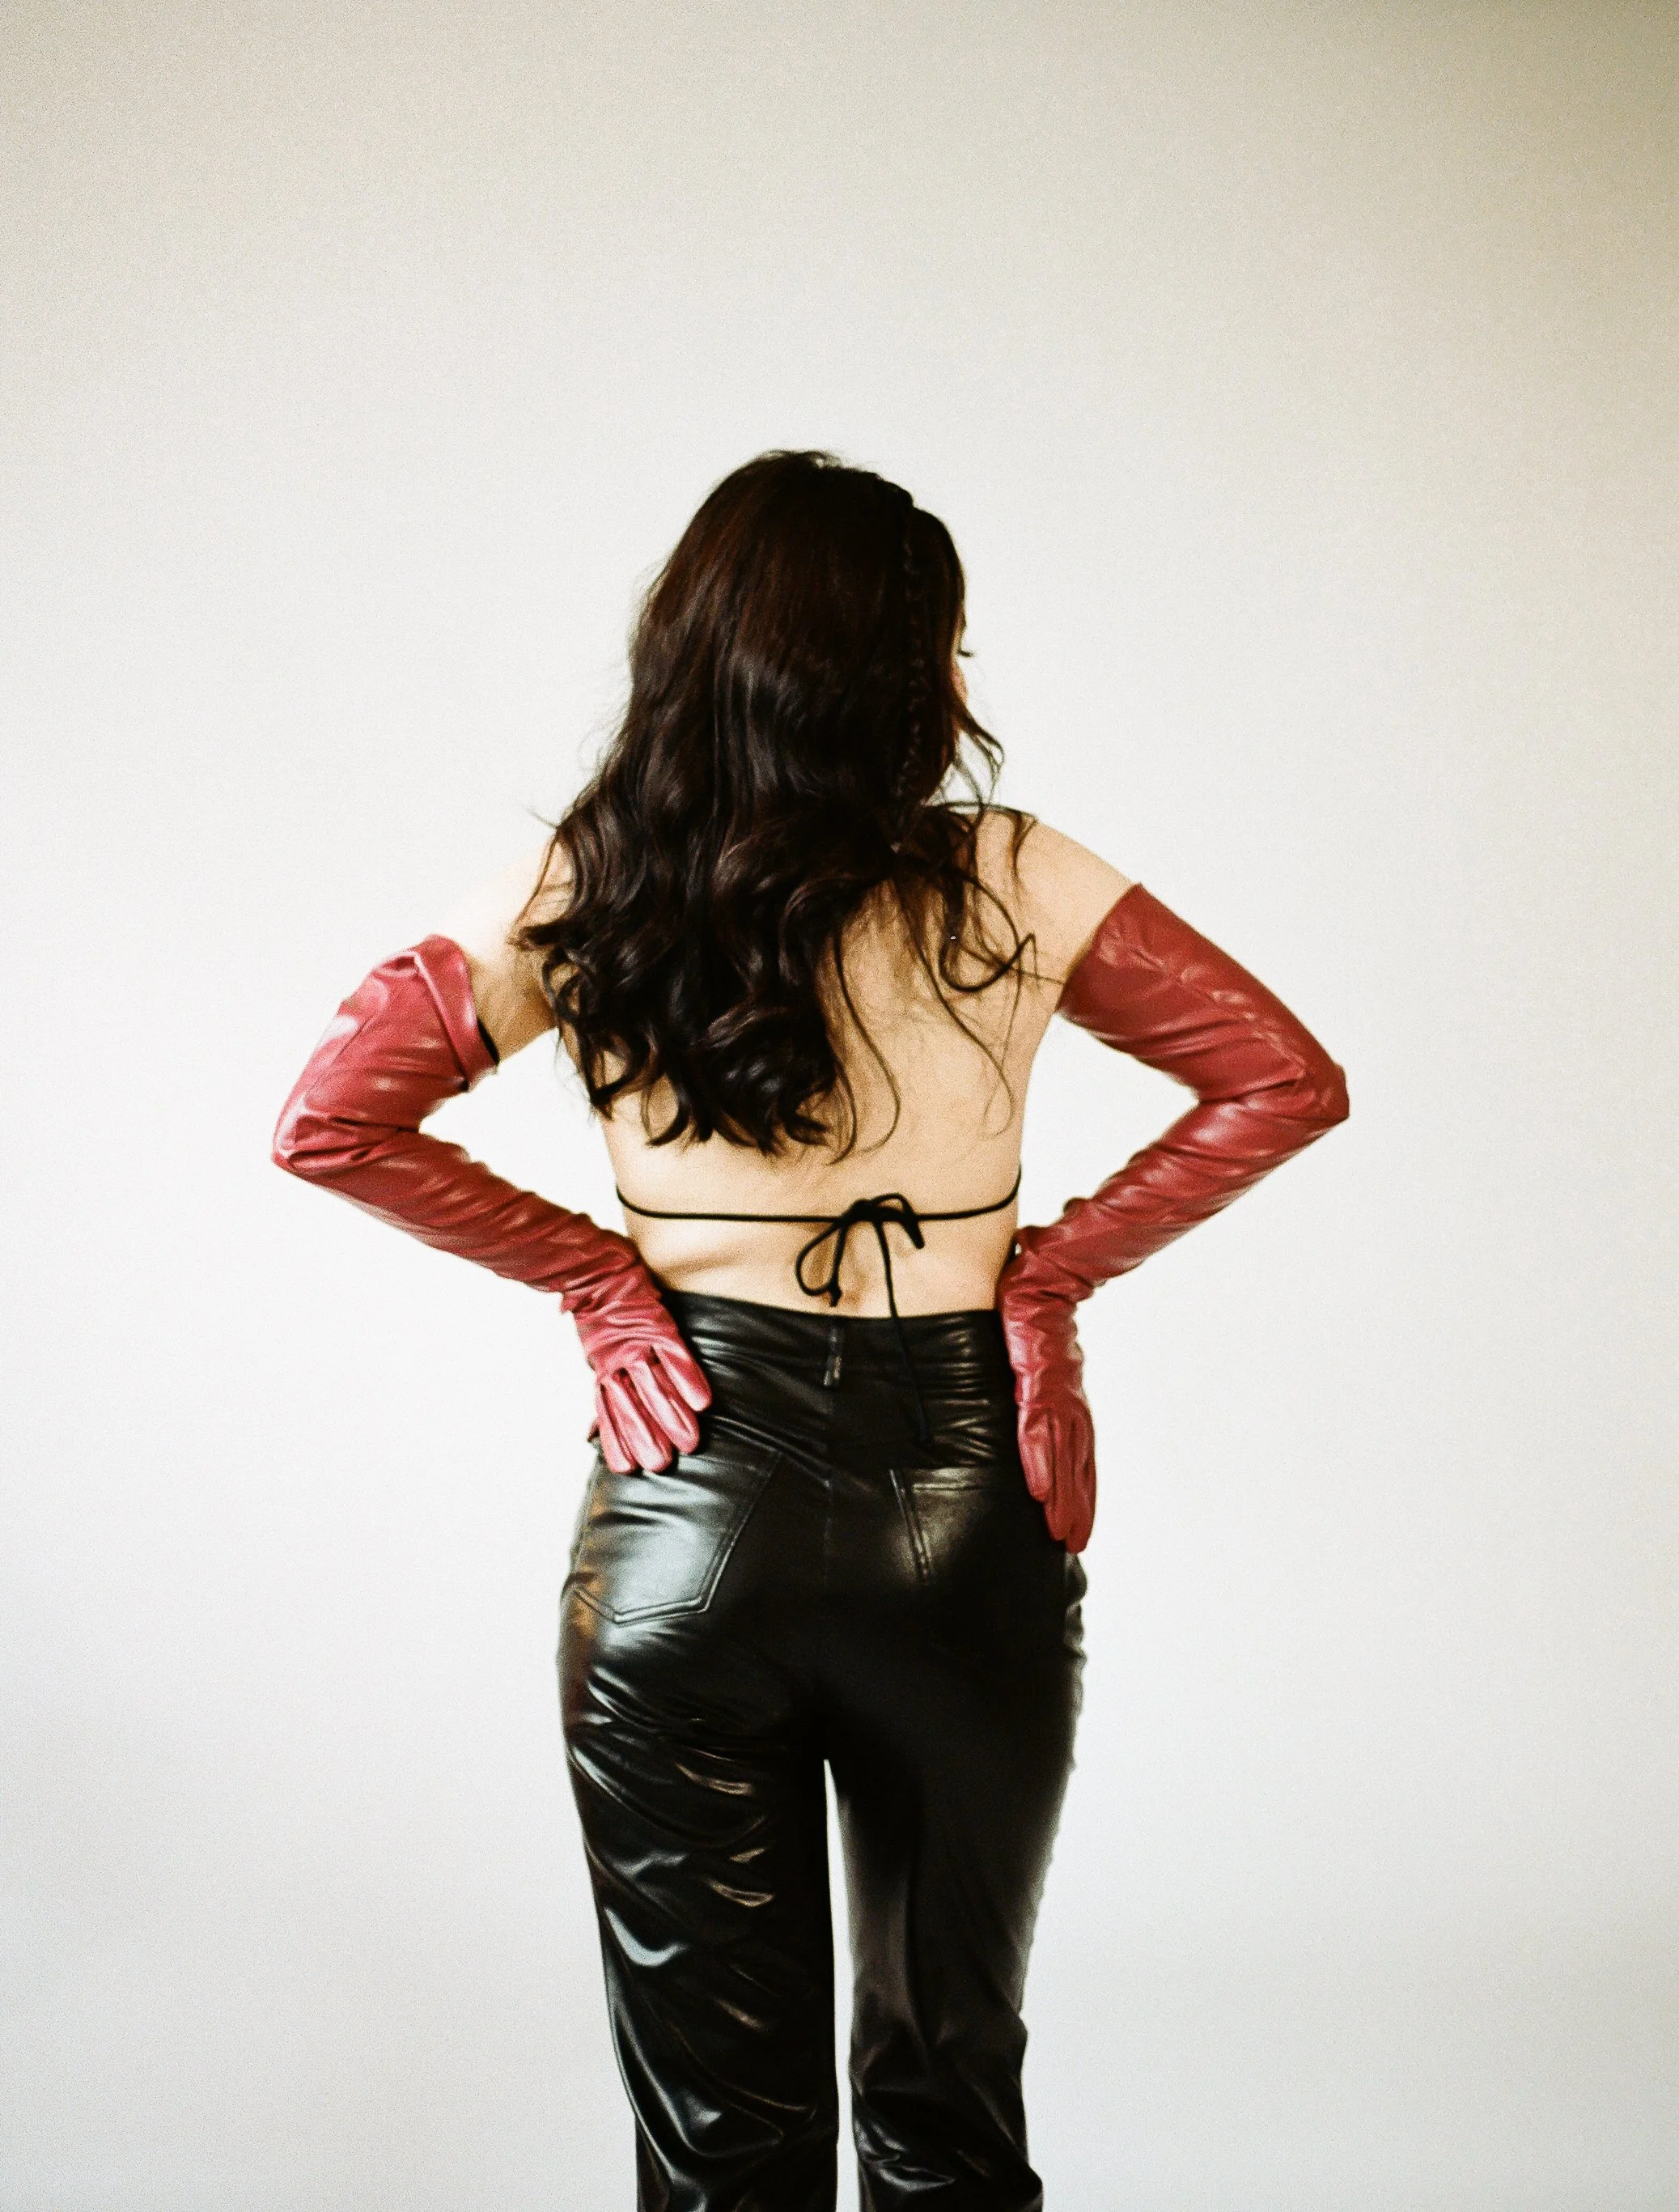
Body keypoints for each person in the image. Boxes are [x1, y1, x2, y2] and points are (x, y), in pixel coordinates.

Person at [273, 449, 1348, 2211]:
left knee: (722, 2154)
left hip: (687, 1507)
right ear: (900, 670)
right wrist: (1050, 1275)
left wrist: (604, 1277)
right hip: (963, 1501)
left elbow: (330, 1112)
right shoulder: (1008, 872)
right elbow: (1281, 1077)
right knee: (943, 2105)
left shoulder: (595, 877)